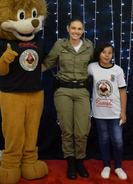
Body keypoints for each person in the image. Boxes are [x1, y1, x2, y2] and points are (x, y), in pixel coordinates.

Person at [42, 16, 94, 180]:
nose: (76, 32)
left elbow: (96, 66)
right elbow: (48, 63)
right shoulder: (60, 45)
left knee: (82, 130)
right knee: (67, 129)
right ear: (67, 29)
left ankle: (80, 161)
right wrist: (27, 73)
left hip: (82, 91)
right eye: (73, 28)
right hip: (63, 91)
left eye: (79, 29)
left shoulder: (89, 46)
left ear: (83, 30)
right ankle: (70, 163)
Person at [87, 42, 127, 180]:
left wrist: (123, 112)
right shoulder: (91, 68)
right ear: (99, 53)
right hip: (99, 112)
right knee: (103, 140)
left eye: (109, 52)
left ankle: (118, 166)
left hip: (115, 112)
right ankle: (106, 166)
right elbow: (79, 74)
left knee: (117, 141)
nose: (107, 55)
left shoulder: (118, 70)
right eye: (104, 52)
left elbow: (122, 91)